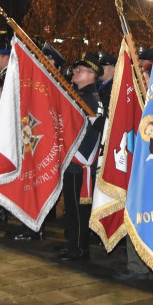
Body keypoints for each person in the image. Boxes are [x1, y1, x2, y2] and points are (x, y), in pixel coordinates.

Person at [59, 56, 104, 261]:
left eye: (81, 70)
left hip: (79, 160)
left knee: (78, 208)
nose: (75, 72)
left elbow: (91, 132)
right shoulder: (81, 95)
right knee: (70, 205)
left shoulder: (90, 98)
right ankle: (73, 243)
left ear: (91, 75)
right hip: (73, 157)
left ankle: (79, 248)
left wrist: (77, 156)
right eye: (76, 69)